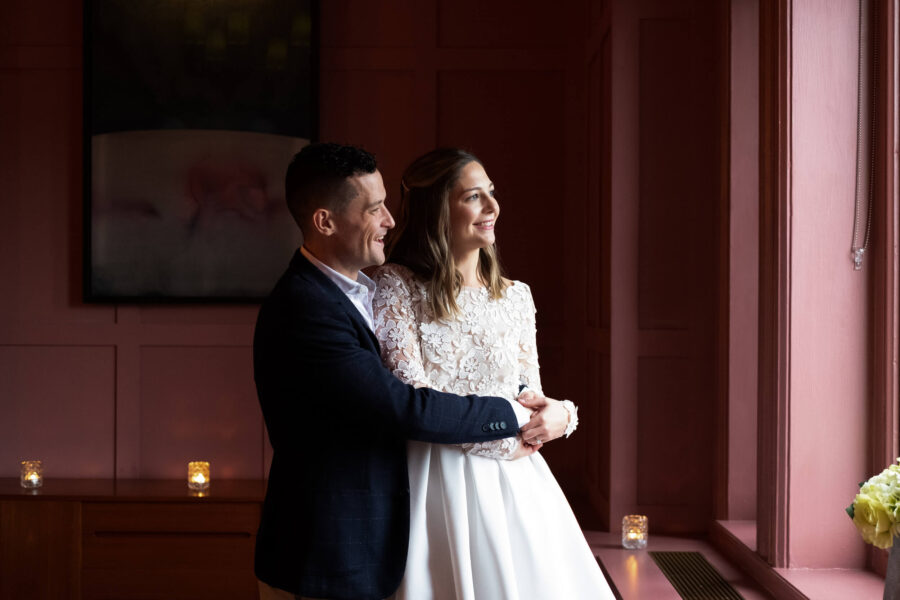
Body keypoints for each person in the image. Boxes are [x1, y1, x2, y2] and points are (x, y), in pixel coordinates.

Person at [253, 143, 571, 600]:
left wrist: (557, 413)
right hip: (330, 550)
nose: (390, 220)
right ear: (325, 221)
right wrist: (515, 417)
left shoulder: (353, 292)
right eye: (375, 209)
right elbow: (402, 406)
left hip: (387, 530)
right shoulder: (307, 308)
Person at [371, 148, 615, 600]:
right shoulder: (395, 287)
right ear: (437, 209)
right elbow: (412, 400)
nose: (492, 208)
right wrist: (507, 441)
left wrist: (562, 414)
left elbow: (529, 394)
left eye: (492, 194)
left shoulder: (516, 296)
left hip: (519, 484)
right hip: (435, 482)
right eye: (474, 197)